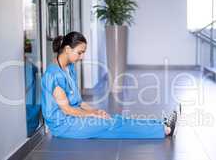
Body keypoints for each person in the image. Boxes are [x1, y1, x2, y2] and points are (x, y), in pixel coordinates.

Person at [41, 31, 177, 139]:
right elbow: (67, 110)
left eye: (83, 53)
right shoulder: (53, 75)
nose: (82, 57)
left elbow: (79, 102)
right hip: (64, 125)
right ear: (67, 49)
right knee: (111, 124)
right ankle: (164, 130)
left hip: (75, 117)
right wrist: (92, 115)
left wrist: (95, 111)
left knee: (113, 120)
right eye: (80, 53)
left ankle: (161, 123)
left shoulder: (69, 68)